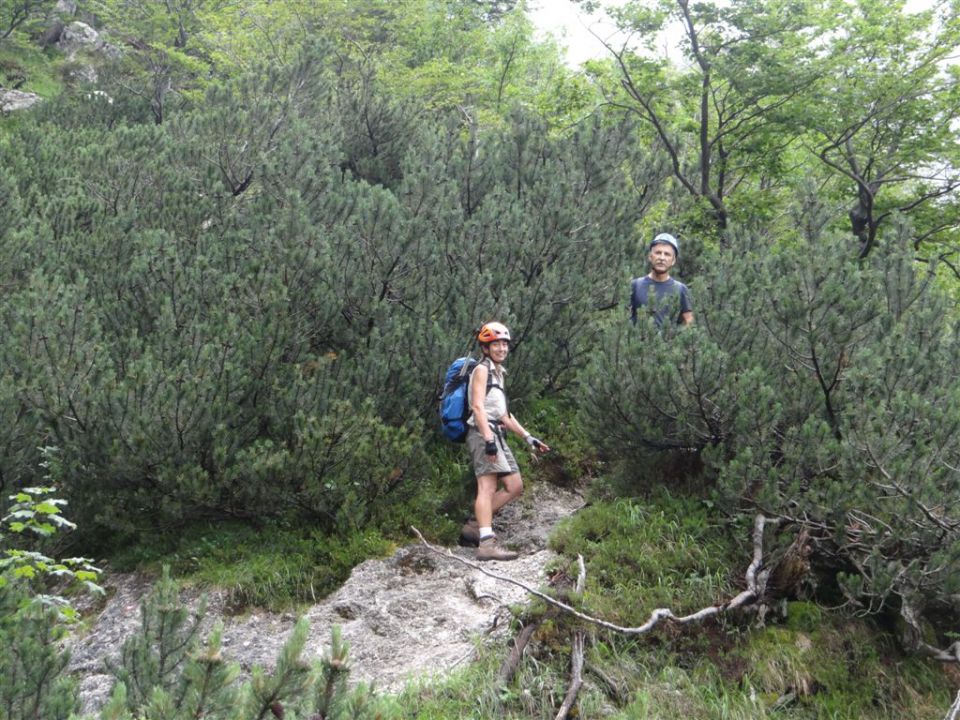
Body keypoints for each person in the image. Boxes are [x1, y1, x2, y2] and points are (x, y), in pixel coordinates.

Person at [461, 321, 549, 561]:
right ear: (486, 348)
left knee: (515, 486)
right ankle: (486, 544)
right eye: (496, 344)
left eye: (504, 344)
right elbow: (477, 407)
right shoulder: (481, 370)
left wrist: (528, 437)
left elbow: (504, 415)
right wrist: (488, 440)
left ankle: (474, 526)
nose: (501, 349)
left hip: (495, 433)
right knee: (487, 488)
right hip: (482, 434)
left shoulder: (498, 373)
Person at [630, 232, 693, 328]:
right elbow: (622, 319)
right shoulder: (635, 285)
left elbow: (689, 322)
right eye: (658, 253)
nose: (662, 258)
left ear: (673, 260)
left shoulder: (680, 289)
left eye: (667, 254)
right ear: (650, 256)